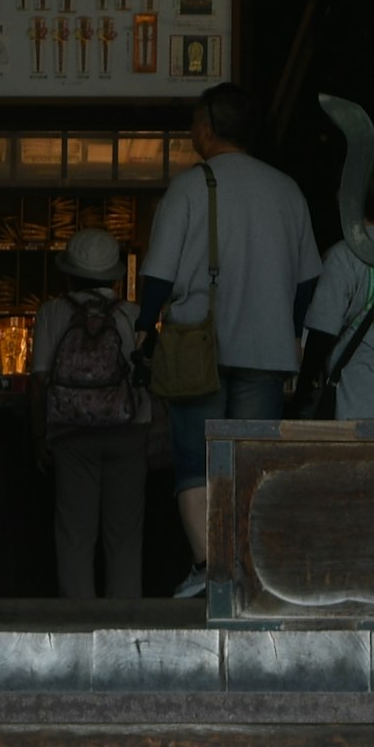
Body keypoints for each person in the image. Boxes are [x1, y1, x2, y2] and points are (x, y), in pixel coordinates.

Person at [136, 86, 316, 595]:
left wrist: (141, 328)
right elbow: (306, 282)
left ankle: (207, 567)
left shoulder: (190, 187)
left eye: (194, 123)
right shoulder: (287, 190)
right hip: (267, 351)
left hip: (200, 348)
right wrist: (290, 329)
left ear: (207, 128)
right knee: (251, 462)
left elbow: (158, 277)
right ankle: (247, 567)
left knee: (195, 461)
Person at [32, 227, 153, 599]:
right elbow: (150, 378)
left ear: (70, 271)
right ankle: (124, 627)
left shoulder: (52, 312)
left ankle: (77, 625)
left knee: (75, 536)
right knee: (125, 539)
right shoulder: (133, 315)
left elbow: (39, 381)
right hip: (130, 431)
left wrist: (39, 437)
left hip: (71, 434)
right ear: (114, 275)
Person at [298, 167, 374, 422]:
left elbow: (321, 334)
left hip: (353, 402)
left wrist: (303, 393)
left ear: (349, 200)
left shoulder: (343, 256)